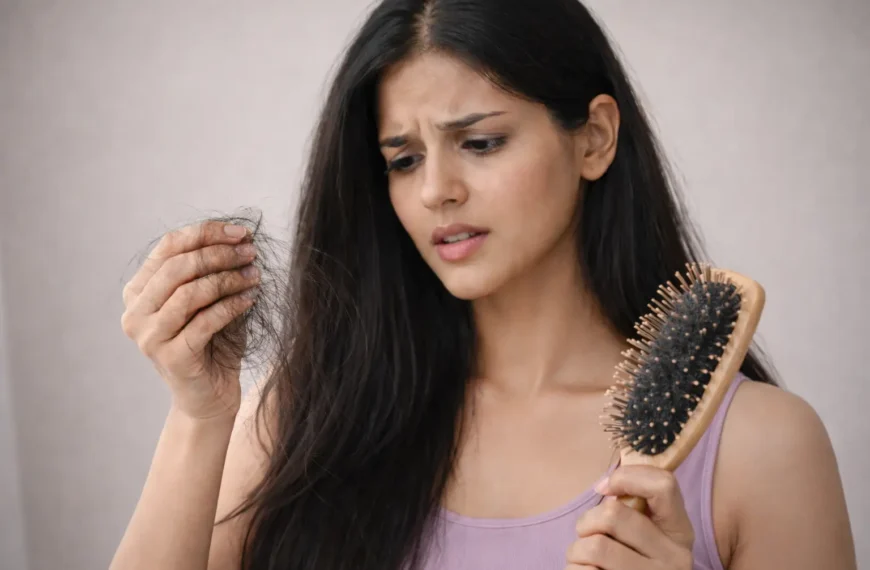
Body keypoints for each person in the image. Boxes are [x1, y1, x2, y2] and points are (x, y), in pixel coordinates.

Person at [110, 1, 856, 569]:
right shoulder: (300, 422)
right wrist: (199, 417)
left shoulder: (761, 449)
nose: (437, 190)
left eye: (481, 142)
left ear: (594, 138)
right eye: (402, 159)